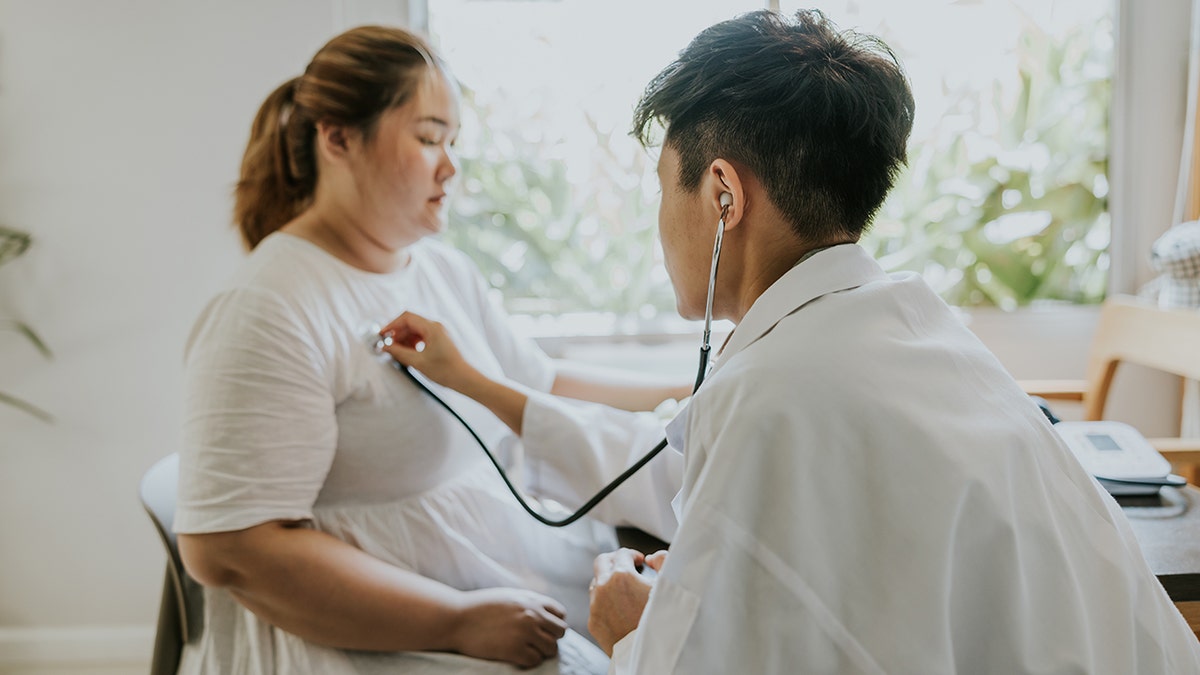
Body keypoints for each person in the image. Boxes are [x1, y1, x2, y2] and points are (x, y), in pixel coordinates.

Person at [377, 9, 1200, 674]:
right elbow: (669, 462)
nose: (661, 222)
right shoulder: (906, 330)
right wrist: (478, 382)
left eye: (666, 188)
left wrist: (632, 628)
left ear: (724, 194)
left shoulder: (780, 392)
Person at [174, 25, 687, 675]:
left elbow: (538, 380)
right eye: (427, 138)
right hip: (373, 627)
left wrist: (693, 393)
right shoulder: (270, 306)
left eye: (453, 142)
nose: (451, 166)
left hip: (498, 578)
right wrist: (456, 620)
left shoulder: (437, 268)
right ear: (337, 139)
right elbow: (230, 548)